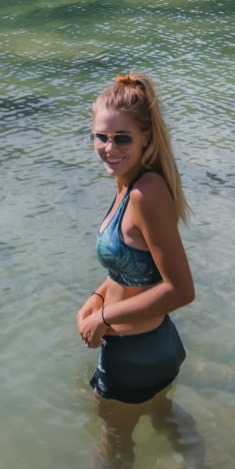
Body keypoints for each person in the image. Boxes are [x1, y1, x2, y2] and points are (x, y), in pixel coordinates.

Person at [77, 72, 196, 420]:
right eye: (100, 137)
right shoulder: (129, 185)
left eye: (121, 138)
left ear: (145, 137)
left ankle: (198, 467)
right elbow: (133, 269)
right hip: (147, 347)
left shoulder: (146, 194)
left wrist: (103, 317)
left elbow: (181, 290)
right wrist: (96, 298)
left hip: (134, 354)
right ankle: (198, 467)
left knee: (111, 457)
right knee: (163, 421)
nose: (109, 148)